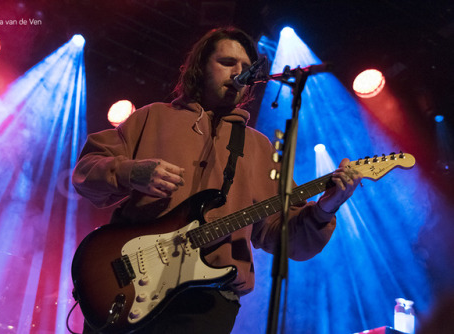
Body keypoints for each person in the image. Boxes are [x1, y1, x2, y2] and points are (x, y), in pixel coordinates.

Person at [72, 27, 363, 334]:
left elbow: (283, 235)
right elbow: (85, 172)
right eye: (227, 62)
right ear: (200, 68)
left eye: (245, 66)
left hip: (207, 301)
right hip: (128, 283)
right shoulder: (151, 118)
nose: (239, 72)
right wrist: (132, 172)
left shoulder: (258, 147)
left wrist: (323, 211)